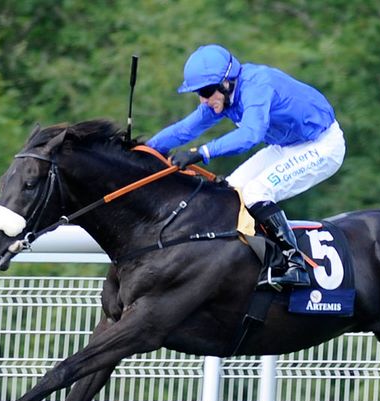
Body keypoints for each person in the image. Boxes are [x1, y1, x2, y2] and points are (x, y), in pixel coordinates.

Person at [148, 44, 346, 287]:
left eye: (207, 91)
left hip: (323, 144)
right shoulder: (222, 96)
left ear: (227, 82)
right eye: (199, 93)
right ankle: (251, 258)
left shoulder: (256, 86)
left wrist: (201, 152)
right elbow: (185, 129)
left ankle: (294, 265)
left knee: (255, 193)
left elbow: (251, 135)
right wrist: (145, 148)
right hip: (286, 146)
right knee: (231, 191)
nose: (204, 99)